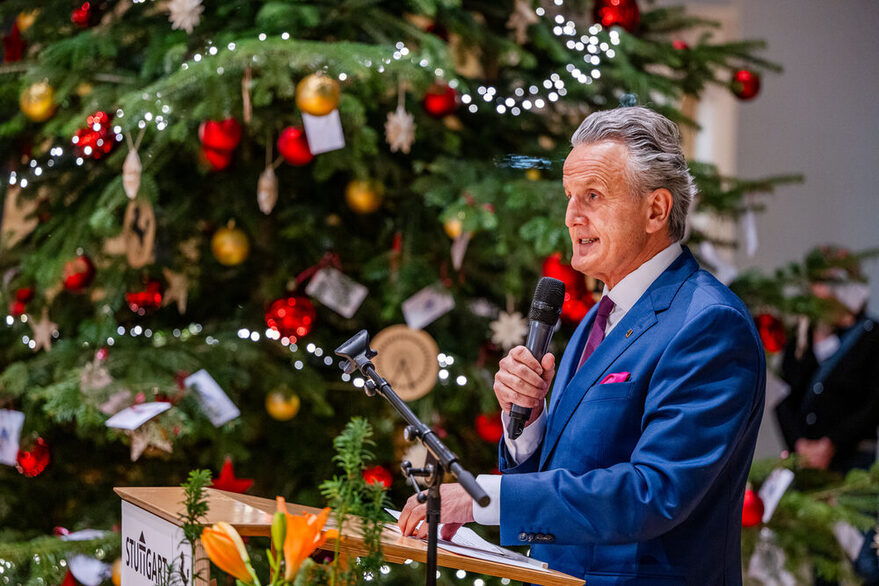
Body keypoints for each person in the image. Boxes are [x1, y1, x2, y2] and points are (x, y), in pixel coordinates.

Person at [398, 106, 767, 584]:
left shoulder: (709, 324)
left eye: (593, 196)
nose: (572, 216)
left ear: (656, 209)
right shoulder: (602, 312)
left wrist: (480, 497)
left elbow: (654, 492)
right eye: (570, 197)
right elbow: (570, 464)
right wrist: (528, 425)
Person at [775, 246, 878, 473]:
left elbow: (873, 405)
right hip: (803, 464)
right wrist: (800, 444)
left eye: (832, 282)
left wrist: (831, 444)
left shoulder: (871, 338)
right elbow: (783, 397)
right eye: (817, 282)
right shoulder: (799, 339)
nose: (821, 291)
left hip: (852, 466)